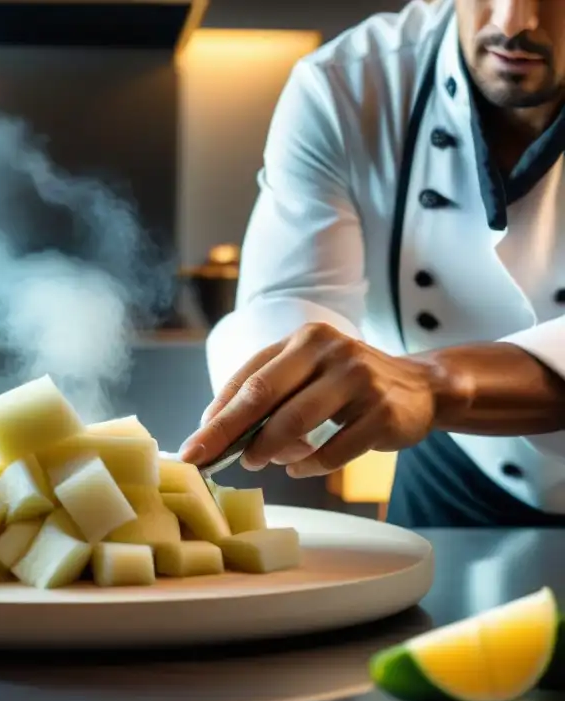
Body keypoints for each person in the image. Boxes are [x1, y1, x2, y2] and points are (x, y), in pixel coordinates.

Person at [180, 0, 565, 526]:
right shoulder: (347, 84)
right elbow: (294, 293)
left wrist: (432, 383)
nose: (513, 22)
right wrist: (286, 389)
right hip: (456, 483)